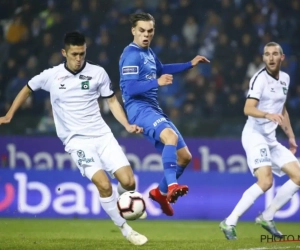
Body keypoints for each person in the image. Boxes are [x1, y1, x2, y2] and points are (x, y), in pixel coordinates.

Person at [0, 31, 148, 246]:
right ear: (64, 53)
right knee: (104, 185)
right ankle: (126, 230)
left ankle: (125, 202)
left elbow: (112, 102)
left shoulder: (97, 73)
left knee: (129, 181)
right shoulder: (51, 75)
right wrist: (10, 113)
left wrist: (126, 124)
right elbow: (27, 88)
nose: (79, 59)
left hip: (102, 135)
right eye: (75, 54)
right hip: (77, 141)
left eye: (82, 53)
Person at [118, 12, 210, 216]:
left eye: (150, 31)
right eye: (141, 31)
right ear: (133, 31)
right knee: (170, 136)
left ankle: (159, 193)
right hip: (138, 109)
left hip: (153, 108)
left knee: (185, 157)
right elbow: (130, 88)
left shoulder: (149, 53)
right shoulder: (131, 55)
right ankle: (171, 186)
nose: (146, 35)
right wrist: (156, 83)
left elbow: (161, 69)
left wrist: (190, 64)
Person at [220, 42, 300, 240]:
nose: (271, 58)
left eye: (275, 54)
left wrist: (290, 136)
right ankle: (229, 222)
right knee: (265, 181)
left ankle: (267, 216)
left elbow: (281, 109)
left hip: (271, 139)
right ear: (263, 58)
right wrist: (266, 115)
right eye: (267, 54)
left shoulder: (285, 79)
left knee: (298, 176)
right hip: (255, 134)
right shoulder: (259, 79)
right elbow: (248, 108)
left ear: (282, 58)